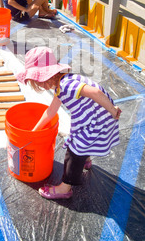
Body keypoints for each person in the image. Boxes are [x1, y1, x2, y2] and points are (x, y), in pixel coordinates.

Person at [16, 46, 121, 200]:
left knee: (73, 151)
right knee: (81, 142)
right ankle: (85, 161)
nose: (40, 86)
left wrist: (113, 110)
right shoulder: (62, 84)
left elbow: (95, 92)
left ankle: (64, 188)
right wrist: (34, 131)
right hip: (92, 118)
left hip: (97, 121)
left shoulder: (66, 85)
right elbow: (51, 111)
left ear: (47, 75)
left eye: (38, 81)